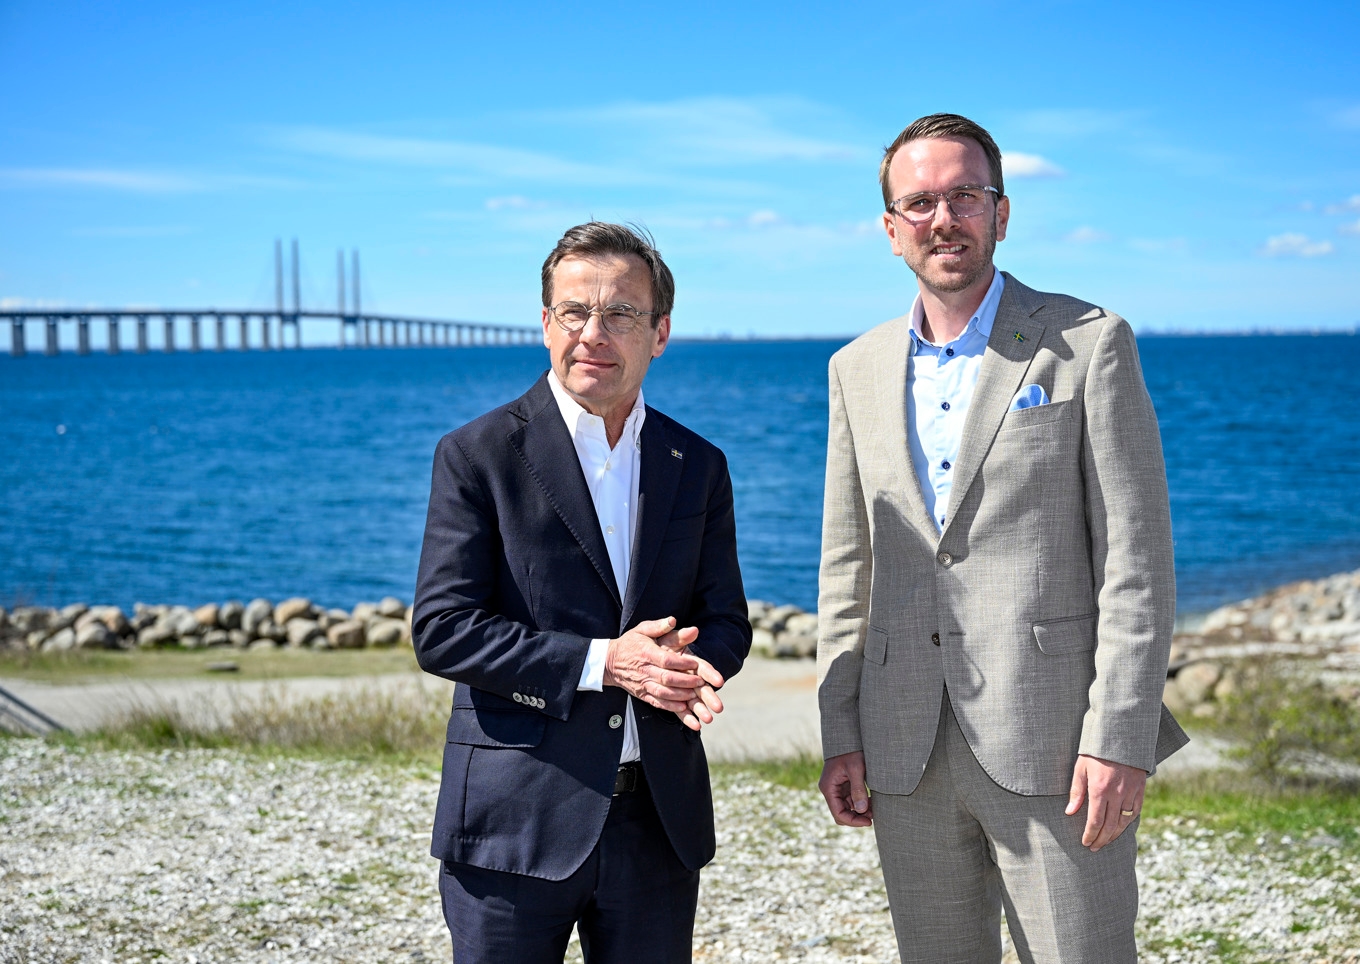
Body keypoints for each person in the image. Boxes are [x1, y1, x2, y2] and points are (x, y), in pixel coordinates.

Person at [815, 113, 1189, 963]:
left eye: (965, 196)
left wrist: (1119, 737)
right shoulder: (854, 368)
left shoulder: (1089, 342)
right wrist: (842, 731)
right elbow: (848, 566)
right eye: (919, 203)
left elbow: (1136, 563)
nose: (943, 219)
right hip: (904, 745)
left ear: (1002, 212)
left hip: (1057, 743)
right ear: (891, 228)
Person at [413, 221, 751, 964]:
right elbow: (442, 630)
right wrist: (608, 663)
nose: (592, 334)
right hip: (512, 822)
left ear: (659, 333)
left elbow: (726, 619)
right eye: (574, 312)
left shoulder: (698, 463)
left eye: (621, 313)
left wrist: (683, 666)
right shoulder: (476, 455)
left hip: (657, 822)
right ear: (546, 324)